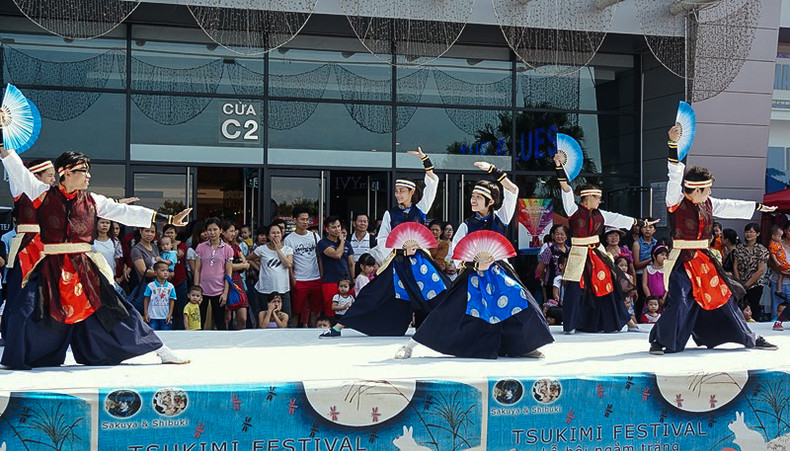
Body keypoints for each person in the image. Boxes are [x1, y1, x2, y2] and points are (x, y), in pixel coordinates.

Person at [0, 146, 189, 369]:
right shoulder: (42, 194)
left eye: (89, 171)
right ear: (65, 172)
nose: (88, 176)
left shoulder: (92, 201)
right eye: (83, 171)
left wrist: (168, 218)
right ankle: (16, 358)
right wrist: (3, 147)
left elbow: (126, 212)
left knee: (117, 309)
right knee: (25, 309)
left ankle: (161, 350)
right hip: (50, 266)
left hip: (82, 267)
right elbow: (18, 171)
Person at [397, 161, 552, 359]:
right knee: (447, 310)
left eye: (479, 197)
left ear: (490, 201)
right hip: (472, 274)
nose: (473, 200)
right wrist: (475, 264)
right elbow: (456, 255)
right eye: (472, 196)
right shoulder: (467, 225)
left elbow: (513, 190)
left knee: (522, 302)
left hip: (499, 271)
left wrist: (494, 171)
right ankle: (411, 346)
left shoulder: (501, 217)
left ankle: (524, 346)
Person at [648, 125, 777, 355]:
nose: (710, 191)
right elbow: (674, 174)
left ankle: (748, 337)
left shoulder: (708, 203)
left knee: (723, 296)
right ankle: (660, 340)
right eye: (708, 188)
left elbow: (730, 205)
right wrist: (672, 145)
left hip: (704, 260)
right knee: (680, 300)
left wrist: (758, 207)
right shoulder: (676, 201)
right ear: (697, 189)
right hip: (681, 260)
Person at [555, 153, 655, 334]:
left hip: (597, 253)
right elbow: (566, 189)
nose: (600, 201)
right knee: (575, 289)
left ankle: (628, 322)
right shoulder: (573, 210)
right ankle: (570, 325)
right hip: (578, 254)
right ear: (588, 197)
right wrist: (559, 167)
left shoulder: (601, 214)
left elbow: (619, 219)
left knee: (610, 286)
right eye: (597, 197)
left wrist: (641, 223)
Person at [0, 159, 55, 342]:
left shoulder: (52, 196)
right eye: (50, 175)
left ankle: (41, 333)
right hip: (26, 247)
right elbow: (14, 169)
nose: (53, 179)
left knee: (46, 292)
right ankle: (11, 333)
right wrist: (6, 151)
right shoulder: (21, 190)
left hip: (46, 247)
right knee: (17, 291)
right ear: (35, 176)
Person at [371, 148, 438, 264]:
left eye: (402, 191)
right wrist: (401, 252)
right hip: (398, 259)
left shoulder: (421, 208)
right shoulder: (390, 214)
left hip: (419, 259)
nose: (398, 194)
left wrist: (425, 160)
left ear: (411, 192)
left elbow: (432, 184)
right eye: (396, 191)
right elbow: (382, 239)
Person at [283, 206, 322, 327]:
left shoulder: (315, 236)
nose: (305, 222)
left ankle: (314, 332)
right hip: (299, 279)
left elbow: (319, 257)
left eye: (307, 219)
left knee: (315, 311)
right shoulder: (289, 239)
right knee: (296, 311)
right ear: (295, 220)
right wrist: (293, 280)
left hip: (316, 278)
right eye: (302, 219)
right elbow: (289, 263)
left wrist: (321, 275)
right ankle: (294, 333)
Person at [193, 218, 233, 330]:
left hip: (219, 290)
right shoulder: (201, 247)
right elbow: (197, 269)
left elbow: (228, 273)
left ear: (221, 230)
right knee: (199, 322)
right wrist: (196, 290)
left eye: (215, 229)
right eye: (209, 230)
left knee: (220, 322)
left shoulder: (227, 249)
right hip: (202, 290)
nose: (212, 232)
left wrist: (225, 292)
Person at [248, 224, 293, 321]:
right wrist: (260, 268)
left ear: (282, 234)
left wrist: (278, 249)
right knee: (264, 318)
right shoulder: (261, 249)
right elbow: (249, 259)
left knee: (286, 318)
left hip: (282, 289)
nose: (276, 235)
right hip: (265, 289)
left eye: (278, 233)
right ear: (268, 236)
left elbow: (288, 264)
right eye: (273, 233)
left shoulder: (287, 249)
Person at [317, 216, 355, 318]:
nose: (337, 229)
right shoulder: (323, 243)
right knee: (331, 311)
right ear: (327, 229)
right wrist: (342, 242)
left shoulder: (347, 244)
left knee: (348, 310)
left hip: (346, 281)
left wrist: (353, 279)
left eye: (338, 226)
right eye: (333, 227)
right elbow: (337, 255)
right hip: (331, 281)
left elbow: (351, 263)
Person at [732, 223, 769, 321]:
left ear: (758, 234)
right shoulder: (739, 248)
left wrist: (746, 285)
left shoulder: (762, 250)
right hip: (740, 283)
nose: (748, 234)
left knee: (753, 309)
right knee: (740, 309)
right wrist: (739, 283)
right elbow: (735, 266)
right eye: (747, 232)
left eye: (751, 232)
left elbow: (760, 270)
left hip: (755, 284)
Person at [222, 221, 250, 330]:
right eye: (231, 231)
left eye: (234, 231)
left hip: (237, 281)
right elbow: (224, 267)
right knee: (226, 318)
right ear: (223, 232)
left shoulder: (236, 247)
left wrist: (236, 266)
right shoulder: (221, 247)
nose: (234, 234)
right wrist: (239, 265)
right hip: (224, 281)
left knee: (243, 318)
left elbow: (246, 263)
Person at [162, 224, 188, 330]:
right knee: (168, 309)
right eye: (167, 233)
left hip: (180, 281)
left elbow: (178, 256)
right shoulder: (162, 245)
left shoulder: (182, 245)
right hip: (166, 282)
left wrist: (174, 246)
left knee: (182, 308)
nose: (170, 235)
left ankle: (182, 330)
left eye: (172, 232)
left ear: (176, 234)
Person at [536, 225, 569, 303]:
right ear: (553, 236)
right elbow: (540, 269)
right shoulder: (549, 251)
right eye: (557, 234)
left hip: (567, 285)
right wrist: (545, 281)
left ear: (566, 236)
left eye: (562, 234)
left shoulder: (569, 250)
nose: (559, 236)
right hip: (551, 285)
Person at [143, 261, 176, 330]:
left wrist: (170, 314)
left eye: (167, 270)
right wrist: (146, 313)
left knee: (166, 333)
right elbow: (146, 299)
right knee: (153, 333)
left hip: (165, 317)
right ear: (156, 273)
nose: (165, 272)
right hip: (152, 316)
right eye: (162, 270)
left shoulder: (170, 286)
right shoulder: (150, 286)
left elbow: (172, 300)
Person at [642, 245, 668, 313]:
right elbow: (645, 285)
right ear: (654, 256)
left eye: (666, 255)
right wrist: (650, 299)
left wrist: (663, 299)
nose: (664, 257)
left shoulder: (666, 270)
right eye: (662, 255)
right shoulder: (647, 269)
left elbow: (668, 285)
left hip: (662, 300)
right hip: (650, 301)